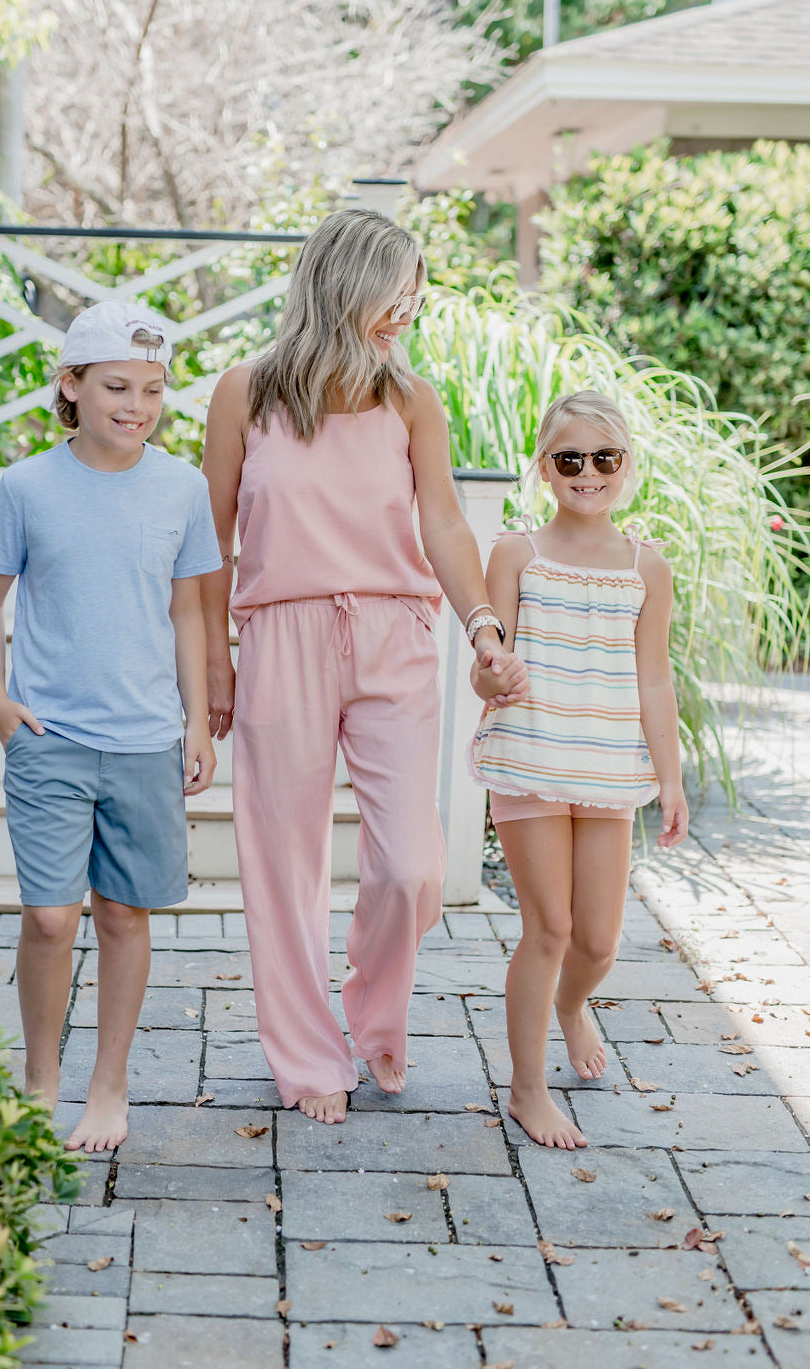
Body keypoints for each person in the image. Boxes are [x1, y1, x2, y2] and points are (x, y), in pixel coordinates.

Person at [201, 208, 527, 1124]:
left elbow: (446, 524)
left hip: (394, 635)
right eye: (398, 294)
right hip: (281, 636)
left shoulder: (411, 400)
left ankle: (374, 1017)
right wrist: (213, 664)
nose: (408, 312)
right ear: (345, 285)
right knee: (283, 861)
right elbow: (209, 545)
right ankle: (307, 1059)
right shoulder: (244, 394)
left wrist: (485, 626)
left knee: (410, 867)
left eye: (415, 297)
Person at [0, 300, 220, 1154]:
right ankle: (40, 1083)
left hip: (147, 739)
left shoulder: (182, 487)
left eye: (152, 390)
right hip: (50, 738)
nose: (136, 406)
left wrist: (196, 722)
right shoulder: (27, 487)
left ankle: (107, 1088)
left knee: (123, 916)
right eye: (116, 386)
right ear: (69, 386)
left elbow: (188, 609)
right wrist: (1, 704)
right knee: (49, 919)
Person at [470, 389, 689, 1150]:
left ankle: (572, 1005)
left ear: (626, 466)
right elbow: (485, 664)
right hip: (529, 758)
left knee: (597, 941)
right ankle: (527, 1089)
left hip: (606, 770)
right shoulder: (515, 556)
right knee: (550, 927)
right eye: (570, 459)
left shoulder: (646, 569)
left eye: (604, 458)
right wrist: (493, 676)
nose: (587, 472)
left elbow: (654, 679)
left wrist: (671, 777)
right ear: (544, 469)